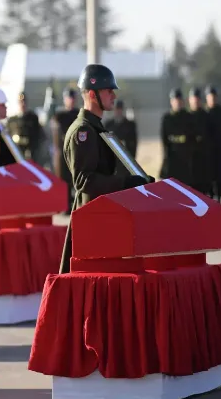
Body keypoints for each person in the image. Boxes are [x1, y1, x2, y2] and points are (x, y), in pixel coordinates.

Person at [59, 64, 153, 272]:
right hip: (92, 220)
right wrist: (125, 183)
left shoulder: (96, 127)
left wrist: (137, 180)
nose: (113, 95)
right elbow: (83, 180)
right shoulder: (83, 131)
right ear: (92, 94)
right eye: (108, 90)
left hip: (103, 216)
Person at [51, 88, 80, 212]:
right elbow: (52, 121)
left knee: (77, 178)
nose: (71, 100)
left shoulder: (78, 114)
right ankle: (65, 205)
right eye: (69, 98)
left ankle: (77, 204)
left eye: (72, 98)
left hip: (77, 150)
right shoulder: (60, 115)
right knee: (63, 178)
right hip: (63, 151)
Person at [159, 88, 194, 187]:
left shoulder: (188, 117)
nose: (177, 103)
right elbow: (164, 139)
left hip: (185, 161)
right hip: (172, 159)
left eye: (179, 100)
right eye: (175, 100)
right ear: (171, 102)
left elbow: (191, 138)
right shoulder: (167, 118)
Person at [103, 99, 138, 176]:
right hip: (112, 162)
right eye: (116, 109)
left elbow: (134, 144)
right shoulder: (108, 125)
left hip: (126, 160)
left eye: (120, 109)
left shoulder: (130, 125)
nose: (118, 111)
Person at [7, 91, 43, 161]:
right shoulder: (12, 120)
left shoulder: (32, 118)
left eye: (24, 101)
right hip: (16, 153)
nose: (22, 104)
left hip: (29, 153)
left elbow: (37, 136)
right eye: (20, 102)